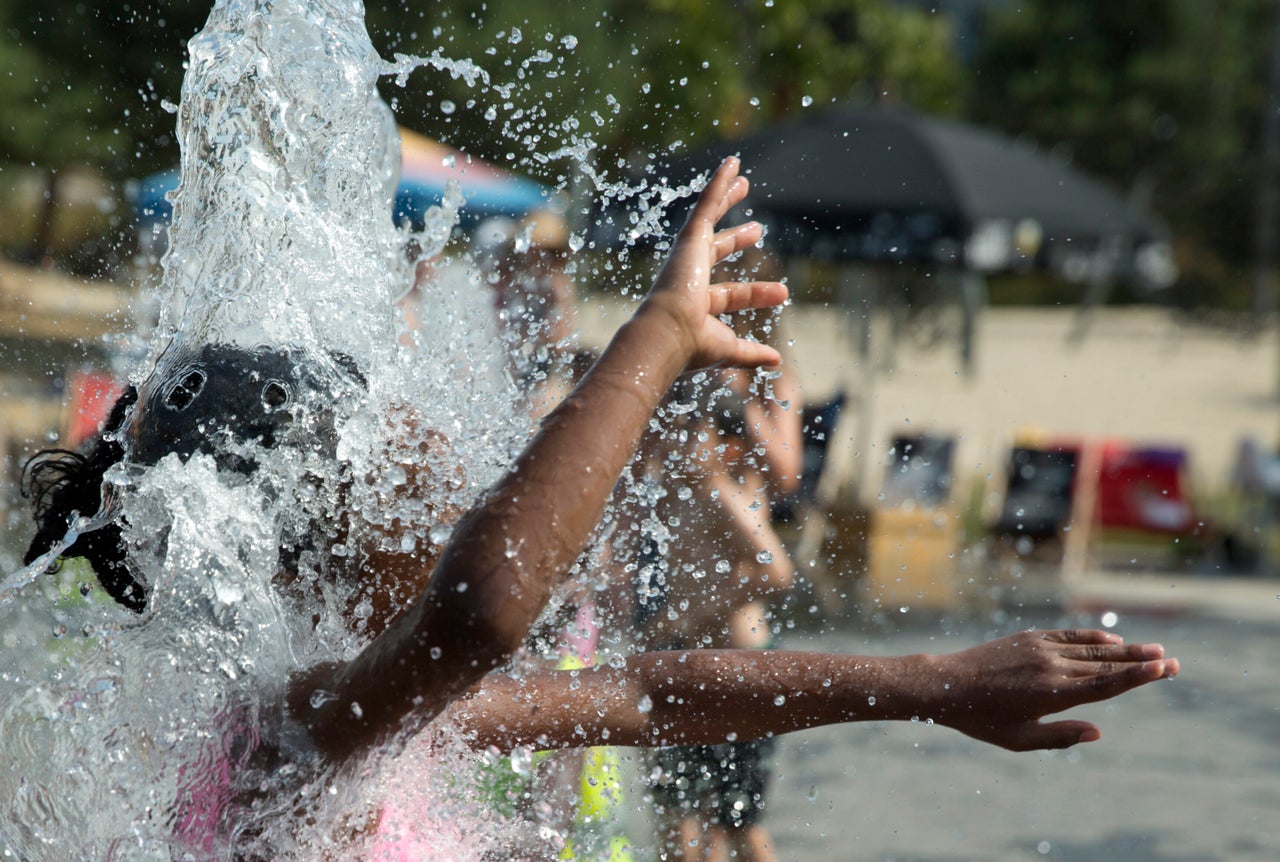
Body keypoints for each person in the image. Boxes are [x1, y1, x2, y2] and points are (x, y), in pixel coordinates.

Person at [23, 159, 1178, 855]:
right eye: (398, 473)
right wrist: (658, 335)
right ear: (313, 532)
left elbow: (648, 690)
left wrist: (940, 684)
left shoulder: (378, 718)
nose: (442, 488)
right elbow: (481, 611)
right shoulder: (288, 730)